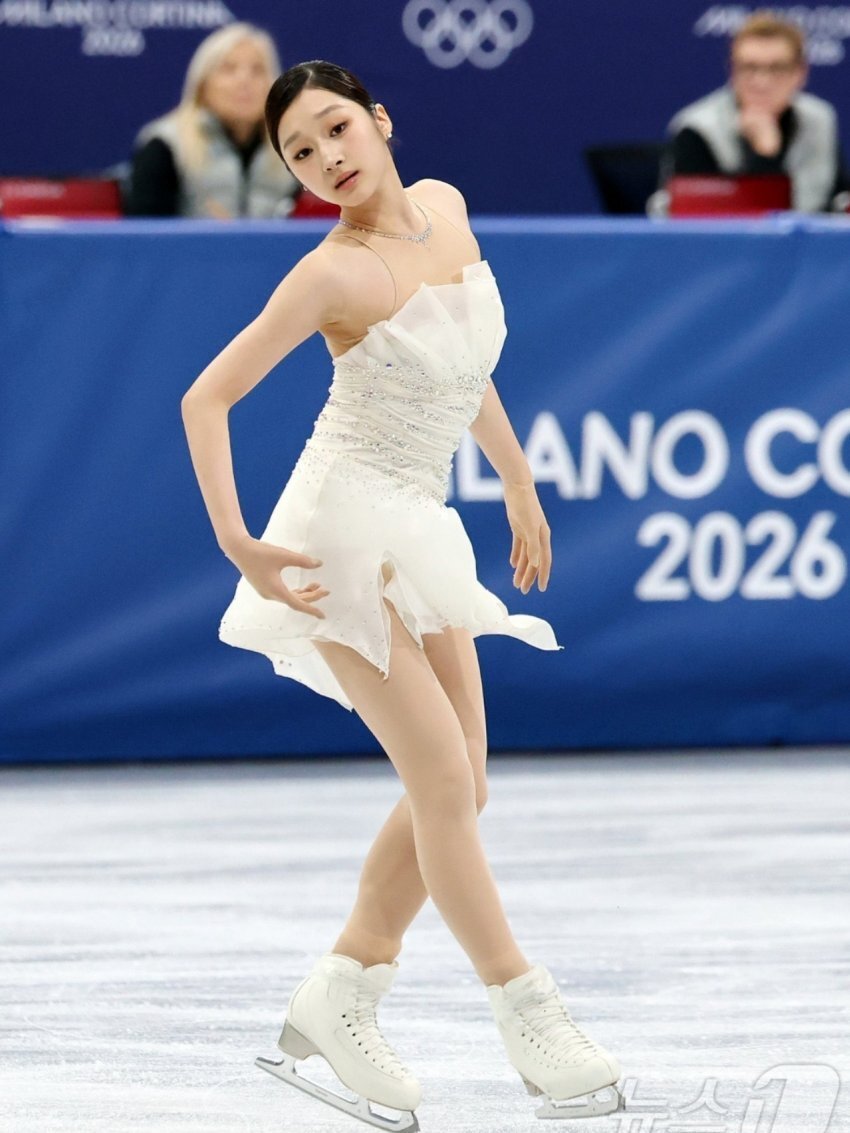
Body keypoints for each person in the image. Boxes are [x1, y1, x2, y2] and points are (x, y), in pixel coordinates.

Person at [180, 59, 623, 1127]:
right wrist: (239, 542)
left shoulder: (446, 209)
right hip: (335, 534)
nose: (326, 157)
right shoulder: (327, 275)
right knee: (440, 773)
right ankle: (526, 1009)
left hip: (414, 519)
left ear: (378, 121)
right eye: (299, 151)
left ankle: (343, 987)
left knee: (464, 781)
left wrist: (518, 480)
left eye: (336, 128)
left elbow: (463, 366)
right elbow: (207, 397)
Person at [663, 11, 850, 212]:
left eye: (777, 68)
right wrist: (765, 154)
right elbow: (698, 217)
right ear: (732, 70)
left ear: (800, 73)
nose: (762, 82)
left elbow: (834, 201)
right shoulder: (697, 129)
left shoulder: (820, 119)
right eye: (749, 68)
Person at [125, 24, 300, 219]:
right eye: (229, 69)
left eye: (258, 70)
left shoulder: (292, 149)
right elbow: (145, 232)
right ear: (202, 85)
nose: (244, 80)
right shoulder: (165, 146)